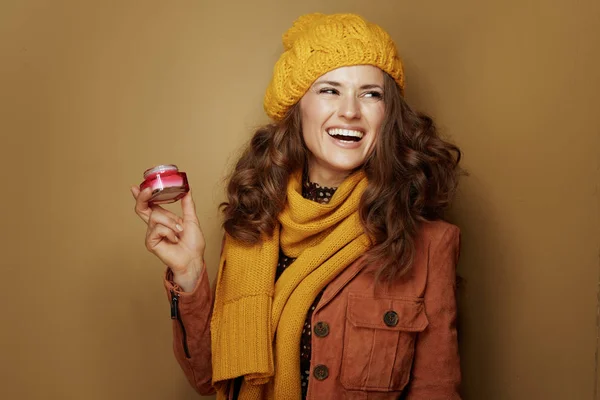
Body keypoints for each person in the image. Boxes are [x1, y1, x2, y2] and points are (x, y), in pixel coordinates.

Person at [131, 12, 462, 400]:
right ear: (296, 107)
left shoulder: (428, 243)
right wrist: (188, 274)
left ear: (388, 114)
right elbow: (207, 377)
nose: (351, 111)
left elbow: (435, 391)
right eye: (329, 90)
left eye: (371, 94)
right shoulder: (255, 219)